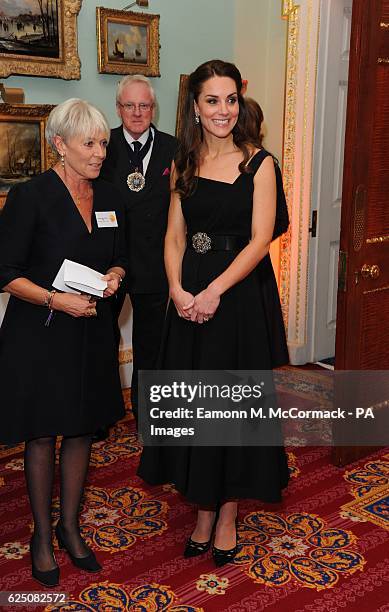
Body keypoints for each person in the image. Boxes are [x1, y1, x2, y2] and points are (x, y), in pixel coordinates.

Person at [137, 60, 290, 566]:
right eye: (212, 101)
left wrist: (214, 292)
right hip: (189, 297)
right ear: (195, 107)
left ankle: (226, 513)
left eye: (231, 99)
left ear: (239, 103)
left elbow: (260, 240)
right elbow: (175, 236)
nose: (223, 110)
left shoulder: (260, 163)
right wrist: (179, 289)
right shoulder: (183, 160)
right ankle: (202, 508)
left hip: (238, 297)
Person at [0, 99, 127, 586]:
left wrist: (116, 274)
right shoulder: (30, 197)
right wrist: (56, 300)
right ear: (60, 145)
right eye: (89, 144)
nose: (99, 153)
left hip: (92, 330)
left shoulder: (111, 197)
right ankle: (40, 536)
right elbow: (6, 273)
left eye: (102, 144)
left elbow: (121, 258)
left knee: (80, 429)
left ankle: (70, 527)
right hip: (42, 333)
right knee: (43, 433)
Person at [100, 75, 177, 426]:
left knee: (151, 343)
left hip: (154, 262)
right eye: (129, 105)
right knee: (102, 338)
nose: (136, 112)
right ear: (118, 109)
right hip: (109, 261)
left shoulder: (173, 148)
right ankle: (102, 414)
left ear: (152, 108)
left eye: (143, 105)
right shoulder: (102, 145)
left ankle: (149, 416)